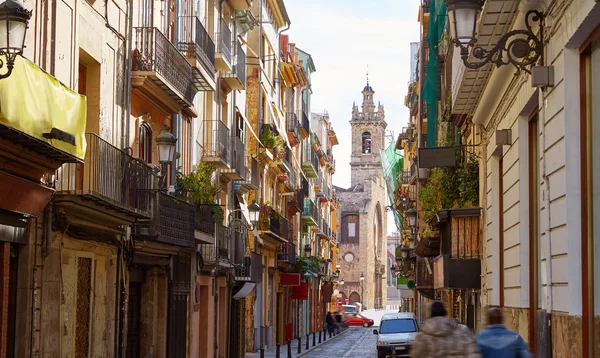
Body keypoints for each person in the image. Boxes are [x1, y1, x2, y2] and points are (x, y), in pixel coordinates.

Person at [411, 301, 481, 358]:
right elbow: (473, 353)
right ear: (445, 312)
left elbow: (416, 354)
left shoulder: (423, 336)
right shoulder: (461, 331)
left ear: (429, 314)